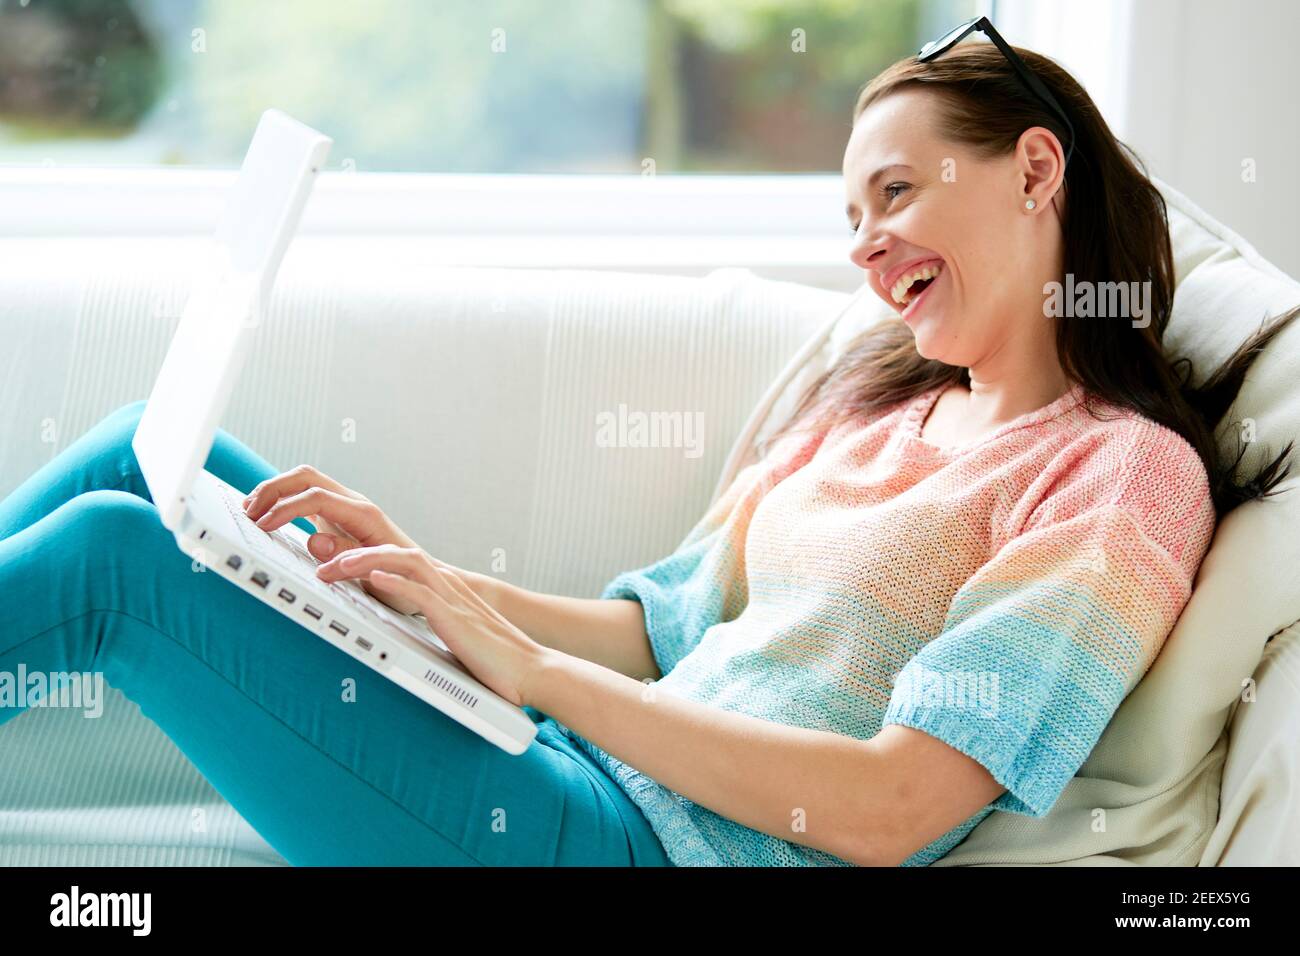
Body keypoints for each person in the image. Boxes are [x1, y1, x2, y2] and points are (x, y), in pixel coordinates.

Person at [1, 31, 1295, 867]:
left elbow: (899, 807)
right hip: (561, 765)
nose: (863, 243)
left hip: (624, 848)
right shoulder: (876, 410)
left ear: (1034, 171)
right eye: (851, 213)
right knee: (134, 456)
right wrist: (429, 581)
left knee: (119, 560)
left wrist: (531, 681)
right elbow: (663, 630)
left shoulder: (1120, 478)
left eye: (894, 194)